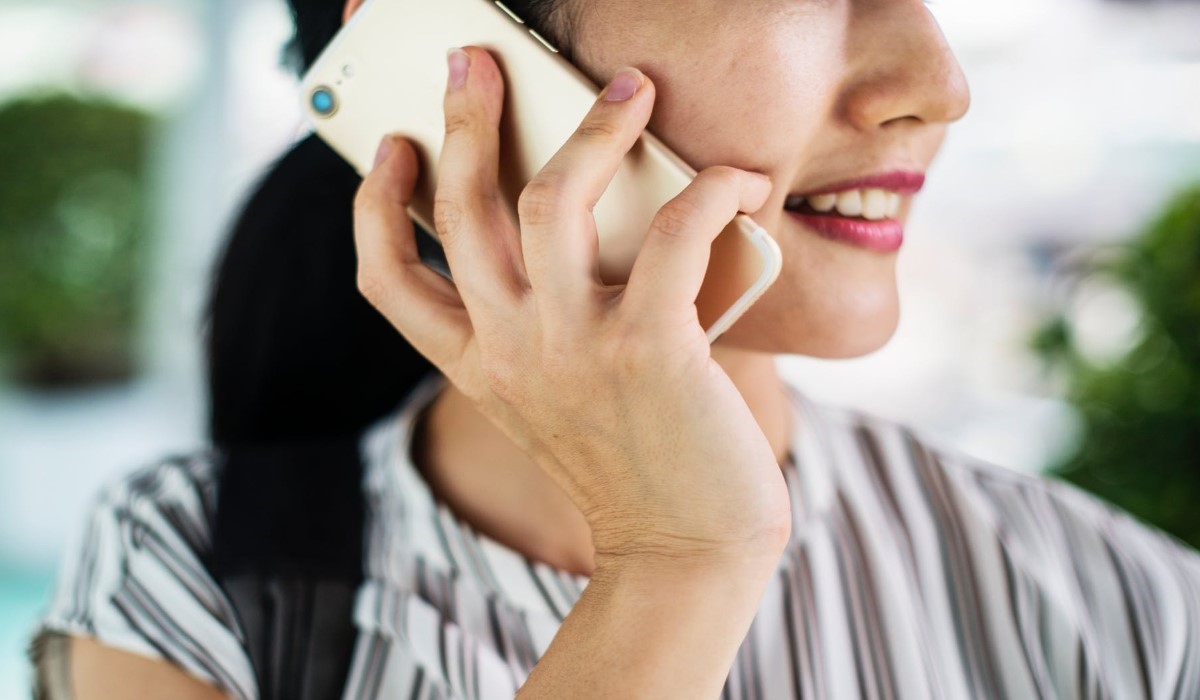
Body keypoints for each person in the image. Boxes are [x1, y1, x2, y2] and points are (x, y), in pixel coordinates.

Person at [29, 0, 1200, 698]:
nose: (936, 87)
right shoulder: (183, 580)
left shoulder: (1130, 612)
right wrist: (678, 560)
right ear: (443, 49)